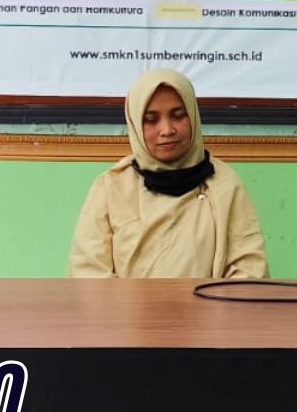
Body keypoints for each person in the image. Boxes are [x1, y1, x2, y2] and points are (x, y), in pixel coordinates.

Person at [69, 69, 269, 278]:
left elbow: (249, 271)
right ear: (135, 124)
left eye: (178, 116)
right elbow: (88, 274)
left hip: (209, 301)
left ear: (193, 116)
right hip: (125, 302)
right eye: (151, 119)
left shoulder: (224, 184)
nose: (167, 130)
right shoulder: (112, 187)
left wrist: (206, 300)